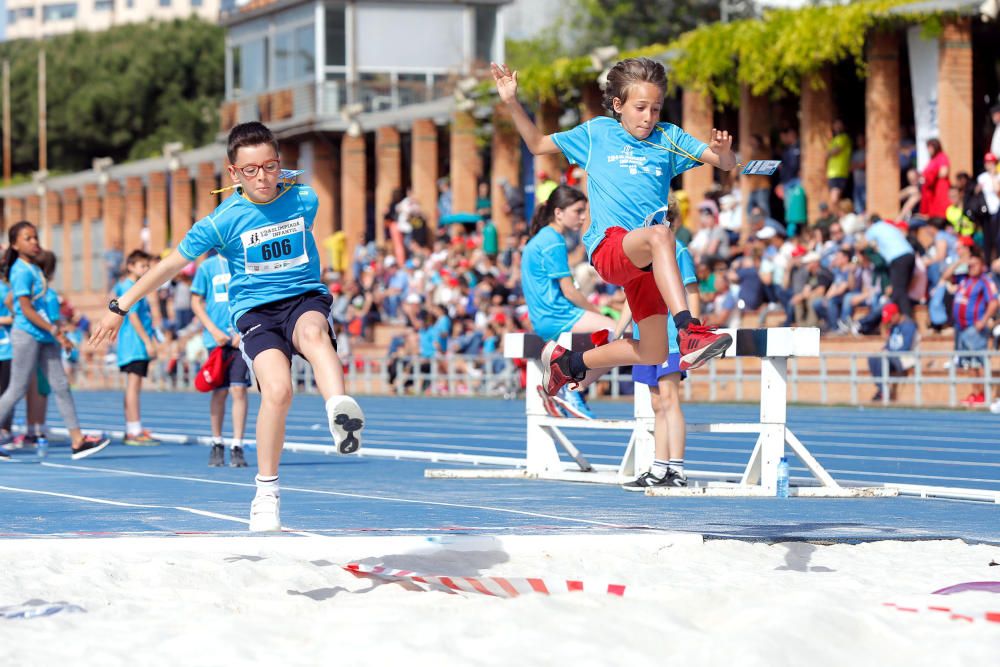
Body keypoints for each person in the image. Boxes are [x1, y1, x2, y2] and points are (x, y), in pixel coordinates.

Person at [90, 122, 364, 532]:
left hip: (304, 298)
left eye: (270, 167)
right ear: (233, 173)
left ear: (279, 164)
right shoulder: (222, 221)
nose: (263, 178)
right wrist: (120, 305)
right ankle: (266, 492)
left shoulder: (305, 198)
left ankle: (338, 411)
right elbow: (169, 266)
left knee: (313, 334)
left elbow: (291, 185)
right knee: (278, 390)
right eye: (250, 171)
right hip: (255, 313)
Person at [491, 57, 734, 396]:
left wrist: (723, 154)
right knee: (662, 233)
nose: (648, 117)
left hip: (648, 261)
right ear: (618, 105)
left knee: (654, 351)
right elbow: (537, 145)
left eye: (656, 108)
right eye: (640, 108)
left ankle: (570, 365)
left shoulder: (668, 137)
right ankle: (688, 328)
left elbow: (724, 162)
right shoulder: (596, 134)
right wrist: (512, 102)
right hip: (610, 248)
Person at [0, 222, 110, 459]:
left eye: (35, 237)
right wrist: (53, 329)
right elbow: (25, 308)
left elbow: (20, 303)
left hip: (46, 336)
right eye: (28, 238)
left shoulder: (34, 270)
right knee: (16, 389)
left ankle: (78, 440)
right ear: (15, 244)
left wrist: (58, 333)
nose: (34, 242)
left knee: (60, 385)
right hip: (27, 335)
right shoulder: (19, 271)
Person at [521, 184, 619, 418]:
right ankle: (572, 387)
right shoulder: (553, 240)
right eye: (578, 211)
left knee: (606, 338)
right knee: (620, 334)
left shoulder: (539, 238)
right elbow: (570, 292)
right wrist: (600, 312)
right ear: (559, 212)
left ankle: (565, 384)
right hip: (558, 316)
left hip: (544, 317)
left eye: (584, 211)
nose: (583, 217)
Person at [623, 196, 699, 489]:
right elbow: (633, 299)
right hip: (646, 335)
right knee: (656, 403)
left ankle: (676, 469)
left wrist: (692, 333)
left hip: (670, 334)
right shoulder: (642, 253)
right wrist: (620, 331)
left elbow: (692, 291)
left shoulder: (677, 250)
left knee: (670, 399)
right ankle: (659, 467)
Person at [191, 251, 249, 468]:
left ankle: (237, 444)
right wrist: (213, 330)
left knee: (239, 389)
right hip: (215, 340)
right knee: (220, 390)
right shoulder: (207, 267)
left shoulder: (243, 262)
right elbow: (196, 302)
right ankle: (217, 442)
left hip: (240, 338)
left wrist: (242, 331)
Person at [113, 250, 161, 447]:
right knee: (134, 387)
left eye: (147, 266)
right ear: (131, 266)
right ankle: (134, 430)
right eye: (142, 266)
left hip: (131, 344)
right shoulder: (129, 287)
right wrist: (148, 342)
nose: (146, 269)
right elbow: (133, 317)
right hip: (135, 344)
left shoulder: (129, 286)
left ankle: (131, 427)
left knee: (131, 387)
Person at [951, 250, 997, 406]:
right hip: (961, 328)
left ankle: (983, 394)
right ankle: (975, 393)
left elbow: (993, 302)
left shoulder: (985, 282)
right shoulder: (964, 280)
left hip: (974, 328)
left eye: (974, 264)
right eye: (969, 265)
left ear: (982, 266)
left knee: (979, 362)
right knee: (969, 363)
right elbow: (945, 277)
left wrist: (983, 321)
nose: (971, 267)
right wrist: (959, 263)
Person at [859, 214, 915, 317]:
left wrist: (859, 250)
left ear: (871, 223)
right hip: (910, 256)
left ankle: (907, 320)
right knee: (900, 290)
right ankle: (902, 319)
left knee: (899, 291)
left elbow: (861, 244)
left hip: (898, 259)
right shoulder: (889, 227)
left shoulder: (874, 228)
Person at [868, 302, 918, 402]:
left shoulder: (909, 326)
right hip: (892, 357)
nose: (889, 322)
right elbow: (889, 344)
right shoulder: (893, 327)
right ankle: (882, 389)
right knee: (873, 358)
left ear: (896, 314)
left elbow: (906, 348)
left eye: (890, 318)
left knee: (884, 359)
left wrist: (889, 352)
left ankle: (883, 392)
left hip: (904, 359)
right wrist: (884, 349)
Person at [920, 138, 951, 219]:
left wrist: (931, 176)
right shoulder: (932, 159)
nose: (929, 150)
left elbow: (943, 173)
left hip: (940, 188)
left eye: (930, 148)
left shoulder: (942, 157)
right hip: (931, 189)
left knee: (940, 211)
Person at [826, 119, 851, 208]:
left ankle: (836, 217)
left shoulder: (844, 137)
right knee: (834, 198)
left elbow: (836, 151)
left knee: (834, 198)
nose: (837, 127)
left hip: (840, 172)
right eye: (836, 125)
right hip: (831, 173)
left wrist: (827, 154)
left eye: (839, 125)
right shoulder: (834, 139)